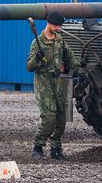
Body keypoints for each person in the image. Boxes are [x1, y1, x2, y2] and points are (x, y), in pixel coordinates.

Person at [26, 11, 84, 160]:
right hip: (44, 83)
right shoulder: (38, 43)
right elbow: (29, 67)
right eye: (56, 25)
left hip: (58, 83)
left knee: (60, 118)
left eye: (60, 26)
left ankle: (56, 149)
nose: (59, 28)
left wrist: (82, 69)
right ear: (49, 24)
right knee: (49, 117)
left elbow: (70, 59)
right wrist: (37, 59)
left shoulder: (60, 41)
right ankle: (38, 146)